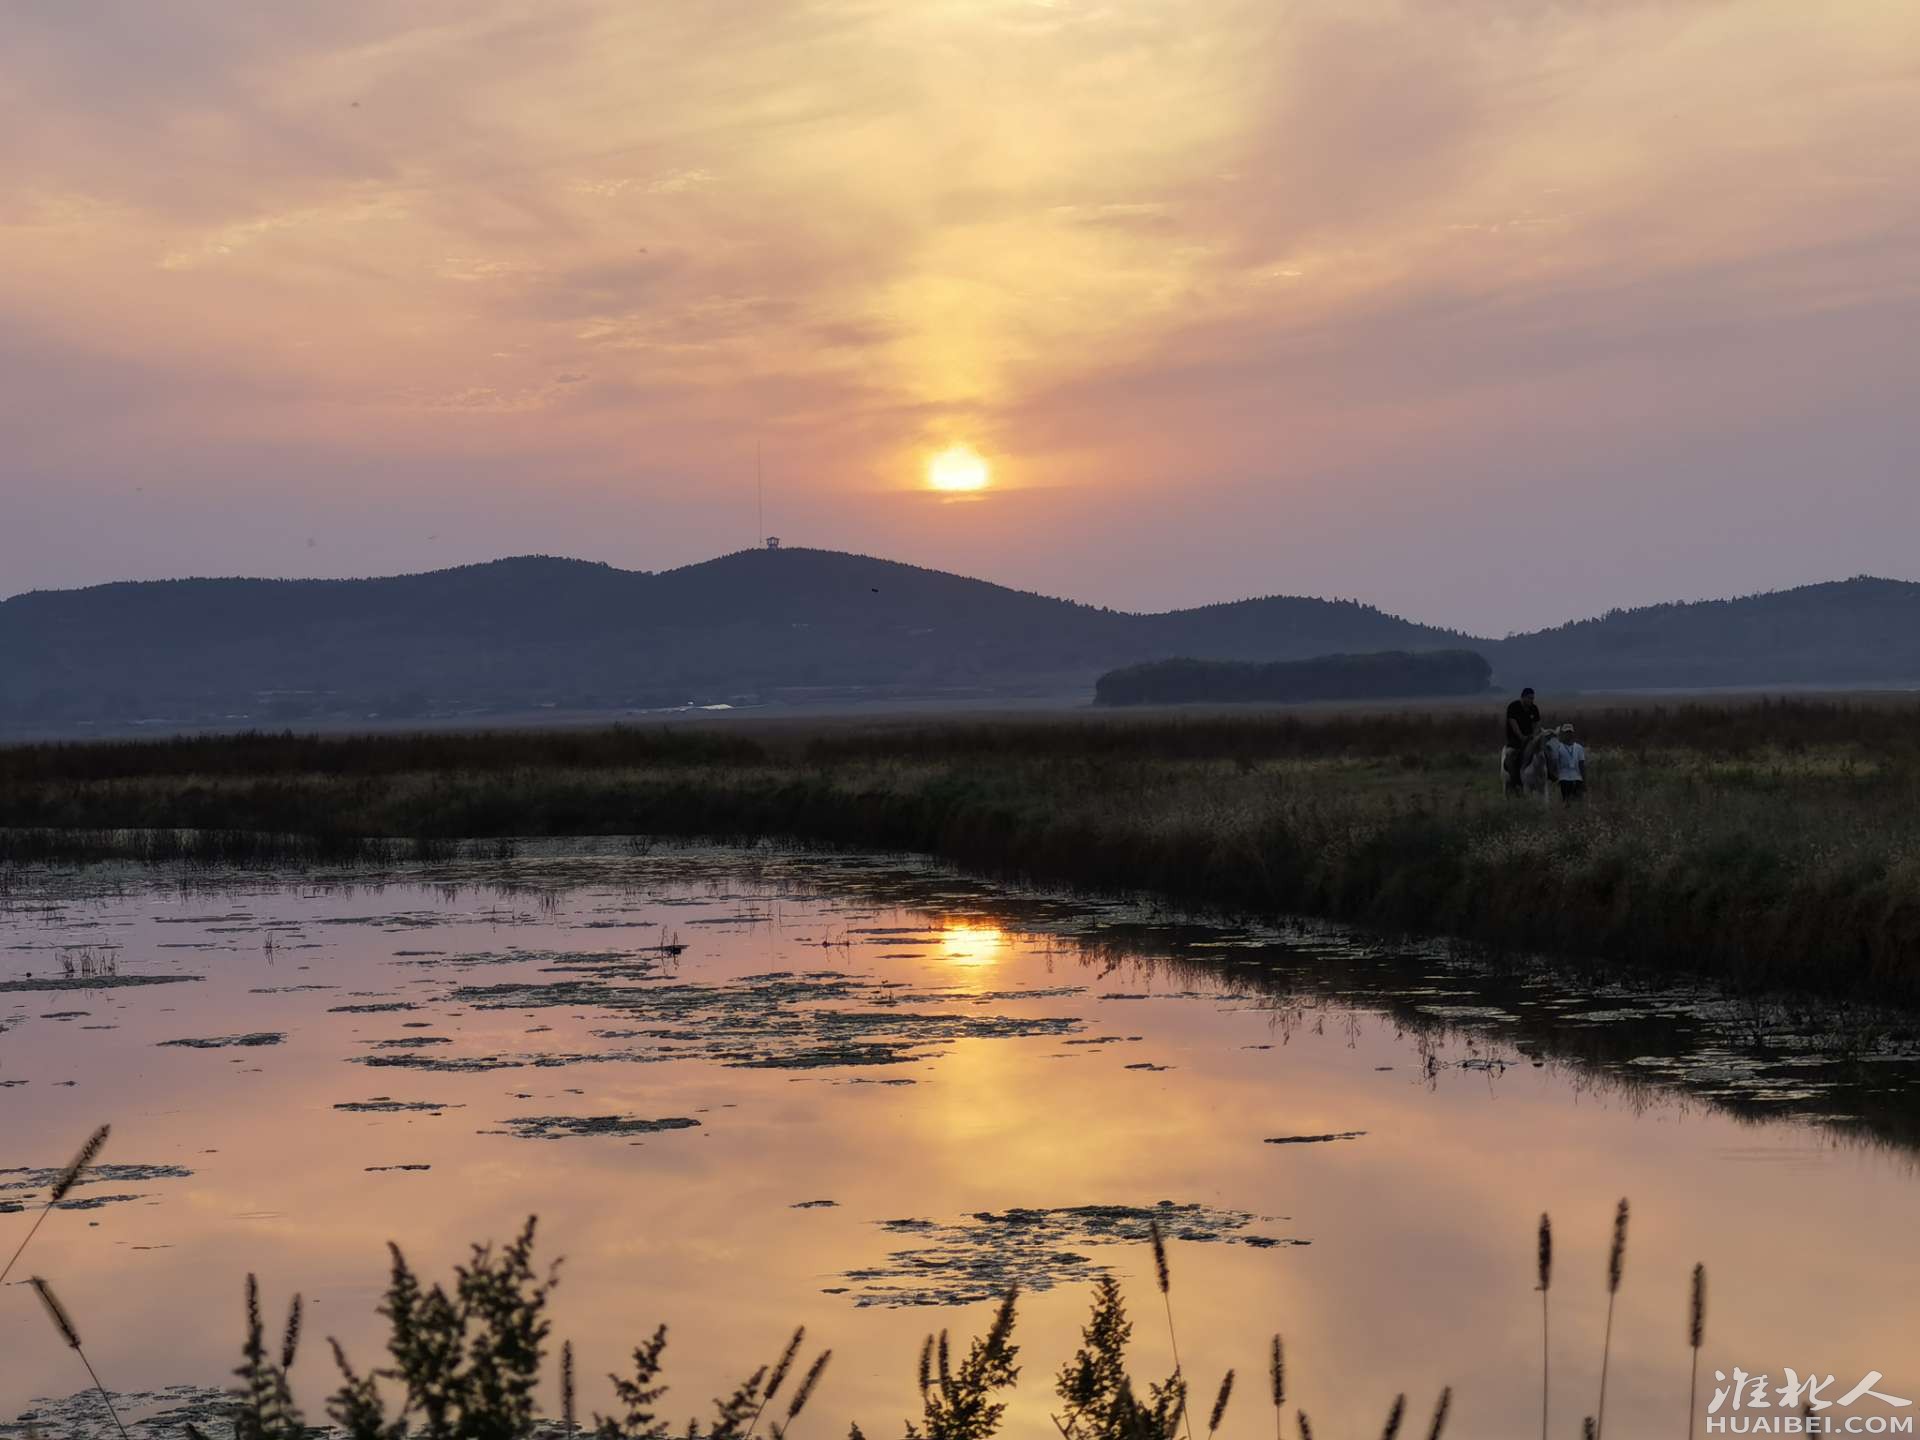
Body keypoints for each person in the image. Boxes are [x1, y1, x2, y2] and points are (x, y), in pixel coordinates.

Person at [1503, 687, 1540, 795]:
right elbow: (1513, 723)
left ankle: (1549, 774)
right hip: (1515, 739)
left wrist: (1534, 735)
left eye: (1533, 698)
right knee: (1510, 756)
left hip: (1530, 738)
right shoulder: (1513, 707)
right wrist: (1521, 736)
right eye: (1529, 698)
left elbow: (1537, 724)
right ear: (1522, 697)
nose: (1531, 701)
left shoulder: (1534, 708)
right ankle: (1514, 781)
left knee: (1543, 752)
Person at [1547, 722, 1587, 801]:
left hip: (1577, 778)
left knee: (1578, 802)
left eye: (1570, 732)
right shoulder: (1558, 748)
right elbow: (1555, 763)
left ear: (1572, 733)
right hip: (1564, 779)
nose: (1568, 735)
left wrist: (1584, 781)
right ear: (1563, 734)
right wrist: (1554, 776)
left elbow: (1581, 765)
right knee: (1567, 802)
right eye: (1566, 732)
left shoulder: (1579, 748)